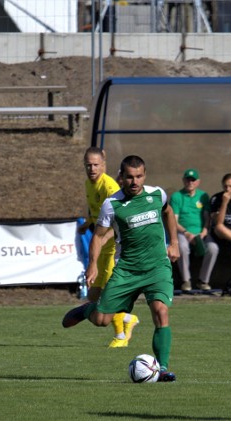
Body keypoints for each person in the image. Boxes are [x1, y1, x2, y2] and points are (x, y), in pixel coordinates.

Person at [62, 155, 179, 381]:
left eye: (139, 176)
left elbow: (168, 212)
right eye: (129, 177)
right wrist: (92, 265)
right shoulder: (112, 204)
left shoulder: (157, 194)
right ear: (122, 177)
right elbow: (98, 236)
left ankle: (163, 368)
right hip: (127, 270)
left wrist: (173, 243)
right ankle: (87, 310)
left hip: (157, 268)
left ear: (144, 175)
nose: (134, 182)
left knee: (161, 312)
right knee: (102, 320)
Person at [76, 147, 139, 347]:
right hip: (102, 248)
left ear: (103, 165)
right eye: (88, 165)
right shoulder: (88, 184)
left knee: (110, 294)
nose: (92, 168)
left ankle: (122, 335)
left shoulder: (110, 187)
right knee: (93, 296)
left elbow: (121, 221)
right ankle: (128, 319)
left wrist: (103, 238)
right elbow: (97, 211)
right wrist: (88, 222)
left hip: (115, 249)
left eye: (96, 164)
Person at [169, 168, 218, 291]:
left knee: (213, 248)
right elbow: (174, 221)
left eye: (193, 180)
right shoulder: (176, 196)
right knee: (182, 248)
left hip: (201, 233)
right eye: (188, 179)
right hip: (183, 232)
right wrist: (186, 233)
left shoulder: (203, 196)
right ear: (183, 180)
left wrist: (205, 231)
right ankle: (186, 281)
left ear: (198, 182)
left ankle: (203, 281)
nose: (190, 182)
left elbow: (207, 217)